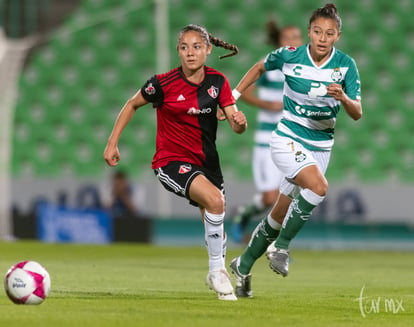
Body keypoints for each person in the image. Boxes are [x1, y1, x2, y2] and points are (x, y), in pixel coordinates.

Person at [103, 24, 247, 301]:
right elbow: (132, 104)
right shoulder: (162, 83)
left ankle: (215, 271)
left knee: (213, 216)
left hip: (208, 164)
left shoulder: (219, 82)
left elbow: (234, 122)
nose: (190, 53)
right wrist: (112, 141)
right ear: (178, 51)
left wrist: (240, 124)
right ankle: (218, 271)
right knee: (215, 202)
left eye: (196, 47)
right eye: (184, 47)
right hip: (171, 161)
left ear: (208, 49)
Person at [229, 3, 362, 298]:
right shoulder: (290, 56)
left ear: (338, 35)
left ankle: (244, 263)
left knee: (278, 214)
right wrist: (234, 97)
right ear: (309, 33)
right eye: (317, 31)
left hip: (321, 146)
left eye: (329, 33)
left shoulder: (346, 66)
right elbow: (259, 67)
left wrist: (344, 98)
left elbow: (357, 113)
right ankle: (282, 247)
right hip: (286, 138)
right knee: (318, 186)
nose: (322, 38)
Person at [231, 19, 303, 244]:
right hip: (267, 139)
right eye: (287, 38)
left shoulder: (305, 69)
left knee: (284, 197)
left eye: (296, 38)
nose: (292, 42)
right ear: (280, 42)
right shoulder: (272, 65)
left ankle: (275, 243)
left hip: (292, 139)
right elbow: (247, 90)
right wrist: (269, 105)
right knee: (270, 197)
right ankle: (244, 214)